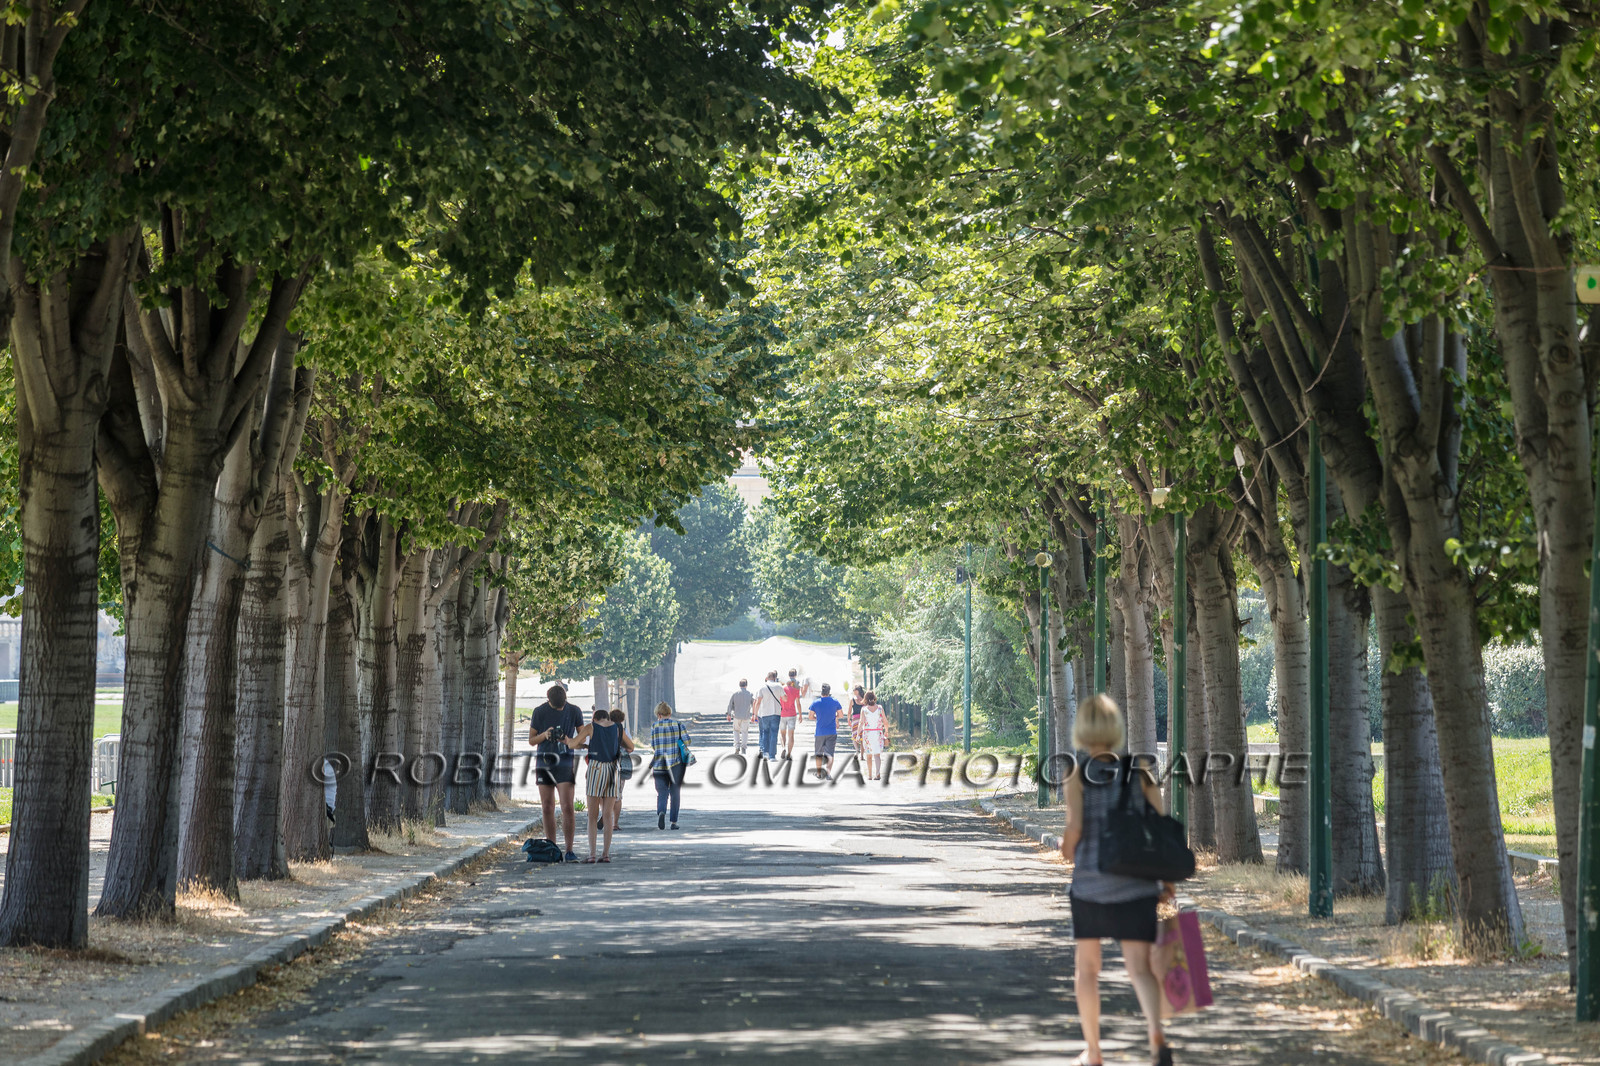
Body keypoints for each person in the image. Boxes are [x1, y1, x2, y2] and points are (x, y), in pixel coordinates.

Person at [1059, 694, 1174, 1066]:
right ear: (1114, 728)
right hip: (1137, 885)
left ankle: (1093, 1052)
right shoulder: (1139, 770)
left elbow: (1074, 829)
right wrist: (1166, 881)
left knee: (1087, 970)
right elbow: (1160, 827)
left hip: (1091, 884)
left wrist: (1066, 849)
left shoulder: (1076, 772)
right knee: (1140, 968)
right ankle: (1156, 1034)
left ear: (1082, 729)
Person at [528, 684, 584, 863]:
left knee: (568, 806)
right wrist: (545, 735)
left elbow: (582, 739)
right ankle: (552, 847)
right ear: (548, 700)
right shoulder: (539, 712)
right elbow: (531, 740)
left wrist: (569, 740)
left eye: (562, 706)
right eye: (556, 707)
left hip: (565, 763)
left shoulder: (574, 711)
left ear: (566, 699)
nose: (560, 708)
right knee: (547, 806)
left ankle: (569, 850)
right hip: (544, 762)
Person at [571, 708, 633, 862]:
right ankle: (605, 854)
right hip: (613, 770)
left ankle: (592, 854)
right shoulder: (618, 728)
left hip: (596, 768)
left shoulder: (591, 727)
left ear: (596, 718)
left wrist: (584, 746)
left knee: (592, 816)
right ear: (607, 718)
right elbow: (631, 747)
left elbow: (572, 744)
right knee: (607, 814)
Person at [649, 701, 692, 830]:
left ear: (658, 714)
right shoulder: (678, 725)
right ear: (669, 713)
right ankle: (673, 821)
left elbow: (653, 745)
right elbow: (687, 741)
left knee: (662, 792)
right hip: (676, 764)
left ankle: (661, 811)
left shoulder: (654, 726)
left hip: (659, 764)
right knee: (675, 792)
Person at [808, 683, 842, 779]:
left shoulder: (816, 702)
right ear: (829, 691)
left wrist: (817, 718)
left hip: (820, 732)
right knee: (830, 753)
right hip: (832, 731)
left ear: (821, 691)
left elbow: (810, 716)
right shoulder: (835, 702)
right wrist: (833, 717)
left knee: (819, 753)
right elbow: (841, 715)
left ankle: (819, 773)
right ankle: (828, 774)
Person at [609, 708, 633, 830]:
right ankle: (615, 823)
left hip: (603, 763)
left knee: (605, 794)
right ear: (622, 719)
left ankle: (605, 815)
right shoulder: (622, 730)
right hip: (619, 765)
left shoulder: (603, 728)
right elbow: (630, 748)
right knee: (618, 795)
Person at [754, 671, 785, 761]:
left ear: (767, 678)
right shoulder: (779, 686)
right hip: (776, 713)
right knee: (774, 734)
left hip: (764, 714)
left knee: (765, 733)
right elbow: (785, 698)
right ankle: (772, 756)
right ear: (775, 678)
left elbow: (758, 702)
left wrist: (755, 714)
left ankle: (765, 753)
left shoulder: (762, 687)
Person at [858, 691, 888, 780]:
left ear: (865, 699)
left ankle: (870, 775)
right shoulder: (880, 708)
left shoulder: (864, 709)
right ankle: (878, 773)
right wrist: (886, 731)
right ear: (874, 698)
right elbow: (885, 721)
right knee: (877, 755)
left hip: (867, 733)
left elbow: (861, 722)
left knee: (869, 755)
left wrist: (857, 734)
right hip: (878, 733)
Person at [727, 679, 755, 754]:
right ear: (746, 685)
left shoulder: (735, 694)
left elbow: (730, 705)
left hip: (736, 716)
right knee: (745, 732)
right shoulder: (750, 694)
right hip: (746, 716)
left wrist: (729, 714)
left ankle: (737, 747)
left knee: (736, 731)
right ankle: (743, 747)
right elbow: (754, 704)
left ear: (740, 685)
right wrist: (754, 715)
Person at [778, 675, 802, 758]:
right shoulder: (796, 690)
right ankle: (788, 754)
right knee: (791, 735)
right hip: (792, 714)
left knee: (782, 734)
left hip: (782, 714)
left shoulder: (781, 689)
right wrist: (800, 715)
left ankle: (783, 748)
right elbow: (798, 703)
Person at [848, 685, 867, 757]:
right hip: (863, 719)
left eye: (854, 690)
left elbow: (849, 711)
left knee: (854, 735)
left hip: (856, 720)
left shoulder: (853, 700)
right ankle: (860, 752)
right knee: (862, 736)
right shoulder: (864, 699)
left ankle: (857, 750)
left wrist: (848, 720)